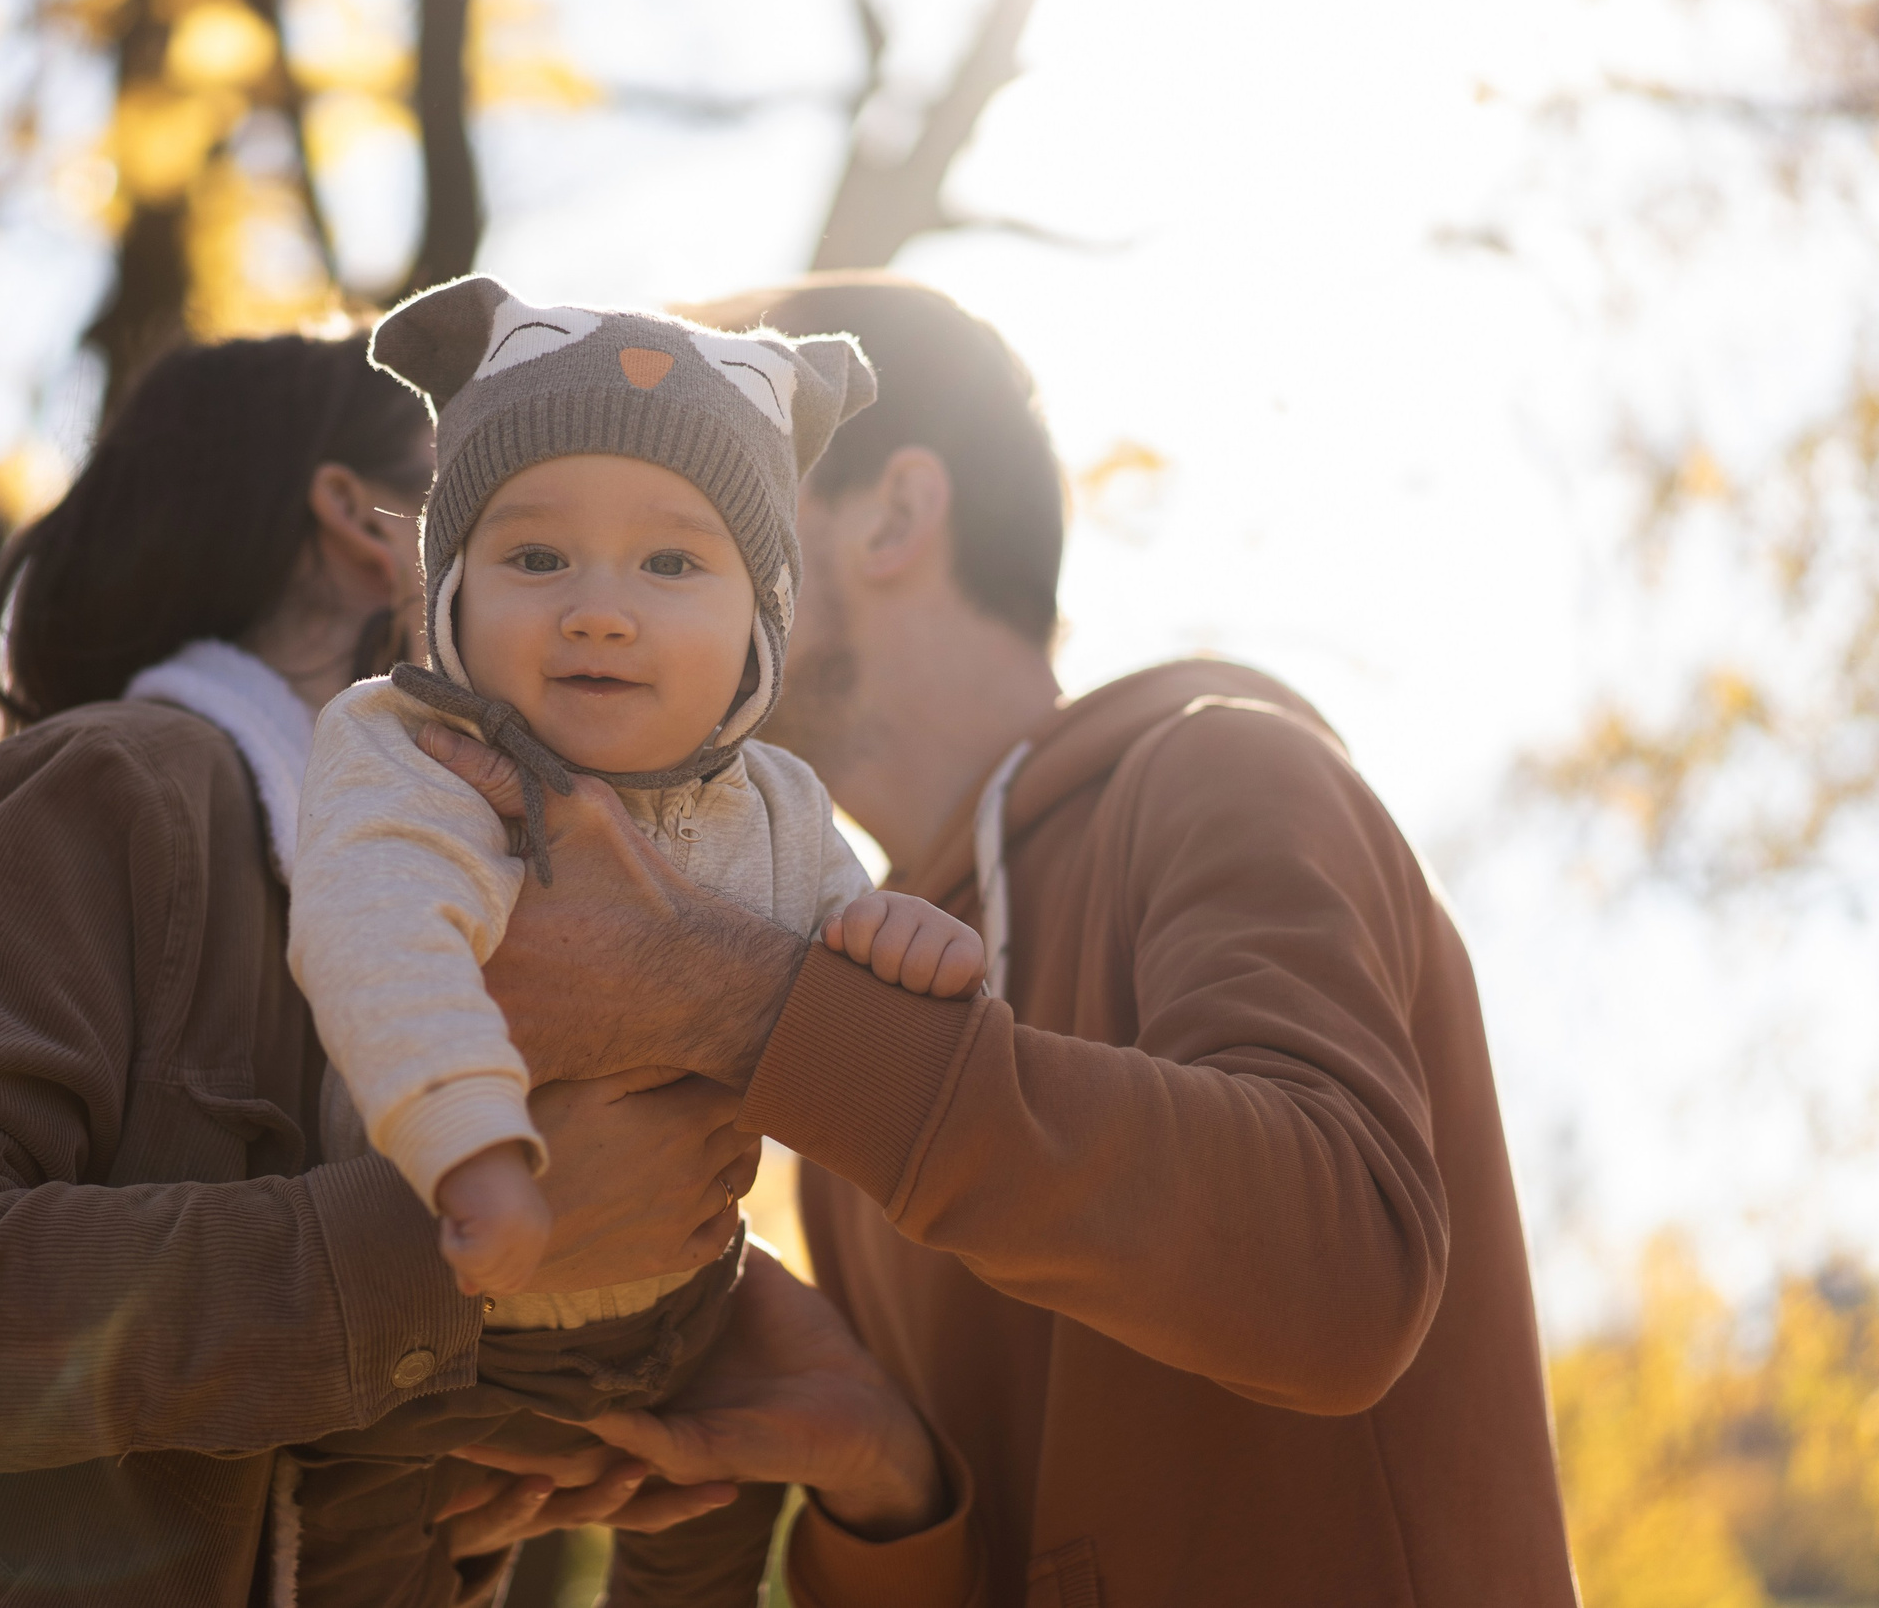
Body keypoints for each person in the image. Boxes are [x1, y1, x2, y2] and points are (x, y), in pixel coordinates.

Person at [0, 332, 948, 1608]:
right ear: (370, 532)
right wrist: (433, 1258)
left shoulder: (470, 934)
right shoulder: (124, 786)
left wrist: (773, 1416)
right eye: (520, 524)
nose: (600, 595)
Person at [421, 275, 1580, 1606]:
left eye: (694, 520)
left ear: (898, 515)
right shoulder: (848, 1020)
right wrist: (880, 1481)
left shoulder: (1226, 775)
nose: (617, 592)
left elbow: (1345, 1276)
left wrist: (727, 1004)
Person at [276, 279, 984, 1605]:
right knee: (366, 1553)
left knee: (716, 1514)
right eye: (538, 559)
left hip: (682, 1324)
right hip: (442, 1331)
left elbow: (830, 950)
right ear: (453, 589)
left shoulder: (775, 803)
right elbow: (378, 939)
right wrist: (468, 1144)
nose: (601, 610)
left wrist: (893, 937)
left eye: (673, 564)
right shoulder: (411, 759)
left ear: (760, 621)